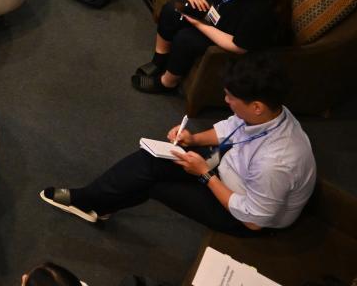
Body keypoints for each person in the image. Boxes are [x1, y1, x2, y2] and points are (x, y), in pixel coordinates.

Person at [41, 55, 316, 235]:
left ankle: (95, 203)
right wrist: (193, 140)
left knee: (155, 185)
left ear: (256, 106)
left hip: (242, 214)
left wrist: (204, 175)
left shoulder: (275, 164)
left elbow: (253, 220)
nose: (226, 100)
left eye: (231, 97)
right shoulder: (271, 113)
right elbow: (231, 127)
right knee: (152, 159)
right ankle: (93, 200)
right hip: (228, 170)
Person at [132, 0, 291, 94]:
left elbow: (238, 46)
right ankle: (159, 60)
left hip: (232, 35)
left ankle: (167, 83)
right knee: (173, 9)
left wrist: (199, 24)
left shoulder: (261, 12)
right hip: (220, 8)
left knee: (186, 39)